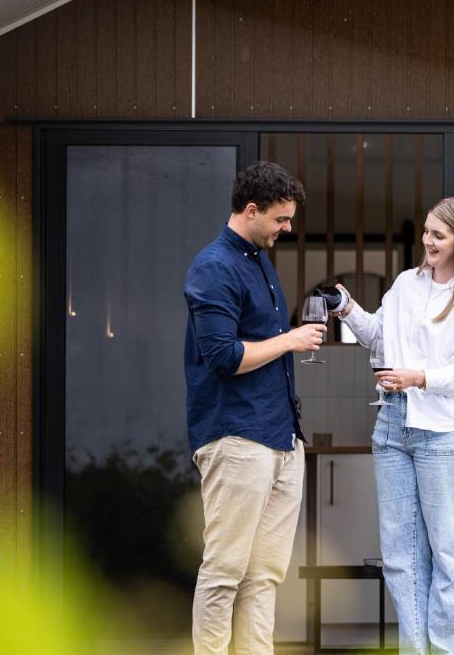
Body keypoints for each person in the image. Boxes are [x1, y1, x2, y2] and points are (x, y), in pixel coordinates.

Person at [335, 196, 454, 654]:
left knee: (450, 559)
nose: (427, 241)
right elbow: (379, 337)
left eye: (439, 235)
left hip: (448, 435)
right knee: (402, 558)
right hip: (393, 428)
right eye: (427, 231)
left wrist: (417, 377)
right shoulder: (406, 285)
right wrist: (348, 309)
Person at [184, 161, 326, 655]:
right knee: (225, 571)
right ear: (251, 210)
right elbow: (223, 357)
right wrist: (289, 340)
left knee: (264, 575)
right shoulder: (214, 267)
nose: (287, 228)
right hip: (236, 436)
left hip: (281, 437)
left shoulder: (260, 259)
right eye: (281, 220)